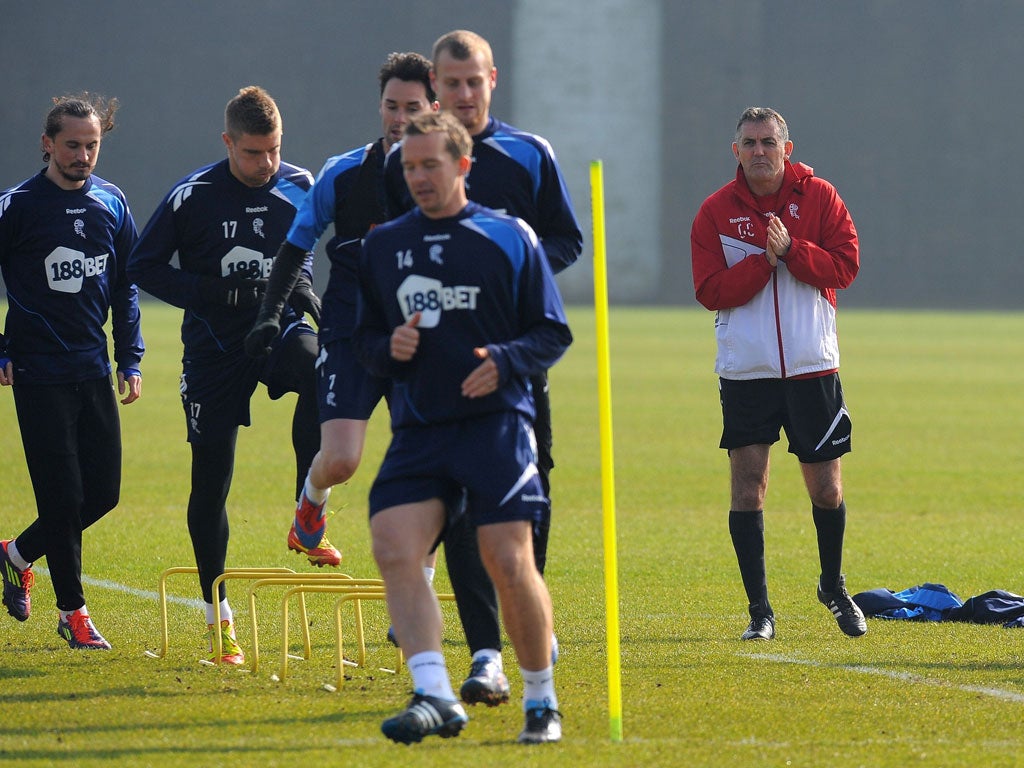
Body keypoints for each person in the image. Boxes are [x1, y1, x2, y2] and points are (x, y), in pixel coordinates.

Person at [354, 111, 571, 744]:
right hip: (420, 428)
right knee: (394, 542)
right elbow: (363, 337)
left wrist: (505, 361)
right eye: (410, 166)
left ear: (463, 166)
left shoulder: (510, 238)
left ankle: (540, 699)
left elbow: (552, 331)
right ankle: (434, 694)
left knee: (507, 559)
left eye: (431, 165)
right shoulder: (384, 246)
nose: (419, 176)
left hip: (497, 425)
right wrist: (385, 347)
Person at [383, 28, 582, 706]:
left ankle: (532, 619)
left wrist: (508, 285)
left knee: (528, 494)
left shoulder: (531, 155)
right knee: (453, 507)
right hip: (432, 367)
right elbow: (390, 252)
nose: (464, 95)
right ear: (433, 84)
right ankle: (482, 649)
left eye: (475, 83)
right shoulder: (410, 160)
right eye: (451, 83)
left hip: (512, 360)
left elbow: (565, 238)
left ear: (493, 80)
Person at [128, 86, 326, 665]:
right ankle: (220, 621)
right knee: (211, 482)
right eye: (251, 153)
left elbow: (305, 250)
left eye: (273, 150)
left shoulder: (301, 183)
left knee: (319, 369)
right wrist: (218, 292)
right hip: (214, 349)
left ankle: (305, 509)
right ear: (227, 143)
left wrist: (304, 290)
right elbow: (143, 267)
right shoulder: (192, 196)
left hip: (278, 328)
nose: (265, 165)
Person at [245, 53, 437, 580]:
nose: (399, 118)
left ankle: (419, 593)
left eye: (412, 107)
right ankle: (312, 502)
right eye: (391, 106)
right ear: (380, 106)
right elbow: (295, 245)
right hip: (351, 332)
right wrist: (269, 314)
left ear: (434, 109)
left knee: (426, 463)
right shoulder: (344, 171)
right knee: (343, 460)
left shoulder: (449, 179)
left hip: (422, 338)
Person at [689, 106, 866, 641]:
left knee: (826, 488)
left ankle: (832, 586)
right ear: (736, 151)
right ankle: (760, 611)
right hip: (747, 371)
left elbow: (846, 267)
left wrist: (792, 251)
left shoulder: (820, 197)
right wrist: (763, 262)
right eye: (750, 142)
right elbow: (710, 291)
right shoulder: (715, 212)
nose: (760, 150)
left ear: (787, 148)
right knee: (748, 488)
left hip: (813, 365)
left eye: (769, 141)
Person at [0, 93, 144, 650]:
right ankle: (73, 613)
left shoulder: (111, 202)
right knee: (61, 498)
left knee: (102, 493)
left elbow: (126, 284)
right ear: (46, 145)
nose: (83, 155)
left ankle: (14, 555)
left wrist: (129, 356)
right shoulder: (17, 207)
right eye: (72, 145)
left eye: (92, 145)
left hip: (92, 369)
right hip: (37, 373)